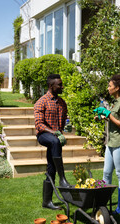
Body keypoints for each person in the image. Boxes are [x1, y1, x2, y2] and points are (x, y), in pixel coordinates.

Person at [93, 74, 120, 214]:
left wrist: (108, 114)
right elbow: (112, 118)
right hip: (110, 143)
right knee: (106, 172)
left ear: (116, 88)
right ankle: (103, 203)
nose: (108, 88)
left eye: (110, 86)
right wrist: (101, 116)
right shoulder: (116, 102)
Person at [34, 74, 70, 210]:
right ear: (51, 86)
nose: (62, 87)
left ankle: (47, 202)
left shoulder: (62, 103)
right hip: (44, 135)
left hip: (55, 138)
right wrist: (54, 132)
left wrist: (64, 129)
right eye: (59, 85)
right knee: (55, 142)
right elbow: (39, 125)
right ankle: (63, 179)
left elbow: (63, 122)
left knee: (51, 168)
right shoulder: (41, 102)